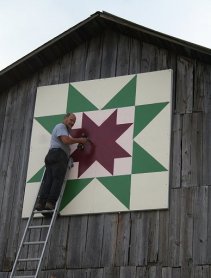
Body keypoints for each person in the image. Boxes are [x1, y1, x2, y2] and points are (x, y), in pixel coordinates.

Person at [35, 112, 87, 211]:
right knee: (57, 179)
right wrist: (80, 139)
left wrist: (77, 142)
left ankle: (41, 203)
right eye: (71, 120)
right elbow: (66, 140)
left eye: (74, 121)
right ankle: (50, 202)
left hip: (52, 155)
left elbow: (67, 141)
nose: (72, 122)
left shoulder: (64, 131)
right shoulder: (61, 126)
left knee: (48, 180)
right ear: (65, 118)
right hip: (58, 155)